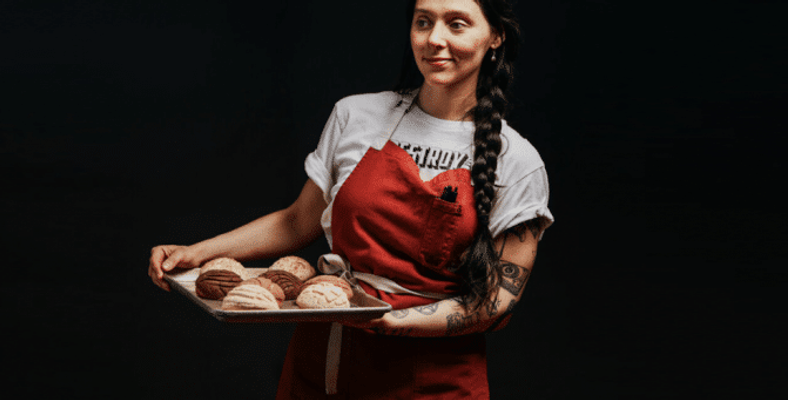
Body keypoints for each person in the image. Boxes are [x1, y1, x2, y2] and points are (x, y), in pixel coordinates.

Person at [148, 0, 552, 397]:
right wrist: (197, 252)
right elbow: (297, 221)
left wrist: (397, 320)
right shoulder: (356, 115)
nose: (434, 39)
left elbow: (498, 299)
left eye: (457, 24)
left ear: (495, 36)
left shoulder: (517, 162)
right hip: (319, 365)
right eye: (423, 22)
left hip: (429, 382)